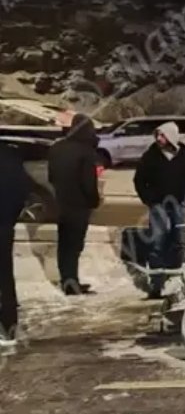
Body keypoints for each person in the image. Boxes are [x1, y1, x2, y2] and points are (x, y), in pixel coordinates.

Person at [133, 122, 185, 300]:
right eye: (157, 135)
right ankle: (156, 285)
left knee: (178, 242)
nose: (159, 139)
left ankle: (175, 283)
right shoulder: (151, 155)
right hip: (158, 205)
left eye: (163, 135)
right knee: (157, 243)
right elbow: (139, 180)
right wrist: (150, 200)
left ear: (172, 136)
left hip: (179, 204)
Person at [48, 113, 101, 295]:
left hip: (61, 202)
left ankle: (67, 280)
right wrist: (94, 201)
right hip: (79, 205)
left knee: (64, 244)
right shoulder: (86, 151)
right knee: (74, 245)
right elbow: (88, 183)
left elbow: (51, 177)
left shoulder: (56, 148)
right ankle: (72, 282)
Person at [0, 142, 29, 347]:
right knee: (5, 275)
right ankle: (9, 324)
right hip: (4, 225)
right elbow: (22, 192)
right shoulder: (11, 157)